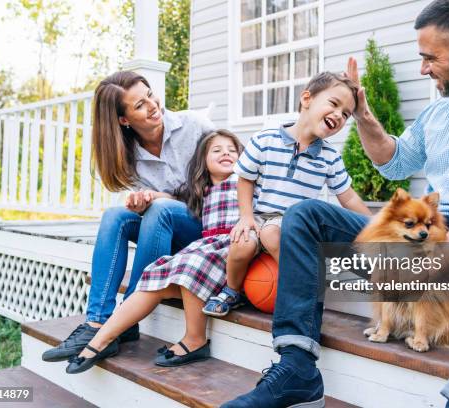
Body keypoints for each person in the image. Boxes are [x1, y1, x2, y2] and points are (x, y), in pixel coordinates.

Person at [222, 0, 449, 407]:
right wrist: (365, 117)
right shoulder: (440, 114)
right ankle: (297, 366)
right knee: (305, 215)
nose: (423, 68)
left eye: (430, 58)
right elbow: (394, 161)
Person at [42, 71, 215, 362]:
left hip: (209, 229)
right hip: (166, 236)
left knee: (160, 209)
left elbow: (232, 183)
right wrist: (140, 202)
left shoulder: (195, 126)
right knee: (115, 216)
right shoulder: (128, 155)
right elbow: (150, 211)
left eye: (150, 95)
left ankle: (124, 318)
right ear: (124, 120)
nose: (152, 105)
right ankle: (97, 320)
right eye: (139, 105)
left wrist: (162, 199)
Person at [64, 130, 243, 373]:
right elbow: (174, 200)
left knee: (189, 265)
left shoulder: (245, 182)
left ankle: (195, 339)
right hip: (205, 247)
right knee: (154, 277)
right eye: (218, 150)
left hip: (232, 248)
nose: (226, 154)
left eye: (232, 151)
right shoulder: (202, 190)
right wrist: (151, 196)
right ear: (204, 161)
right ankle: (99, 340)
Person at [202, 72, 372, 318]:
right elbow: (245, 180)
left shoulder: (329, 157)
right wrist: (246, 217)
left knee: (273, 234)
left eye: (345, 114)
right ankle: (232, 290)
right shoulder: (264, 140)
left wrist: (374, 226)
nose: (338, 115)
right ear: (306, 99)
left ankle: (303, 289)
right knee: (241, 244)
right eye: (334, 104)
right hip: (259, 216)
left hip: (293, 224)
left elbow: (349, 198)